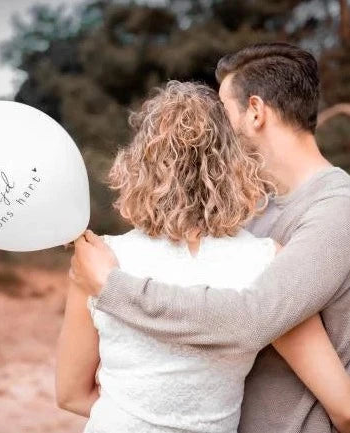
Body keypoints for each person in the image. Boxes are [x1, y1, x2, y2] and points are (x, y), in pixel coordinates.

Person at [69, 43, 350, 433]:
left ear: (255, 111)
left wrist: (112, 287)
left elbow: (252, 318)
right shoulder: (260, 214)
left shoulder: (337, 211)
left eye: (224, 109)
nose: (217, 126)